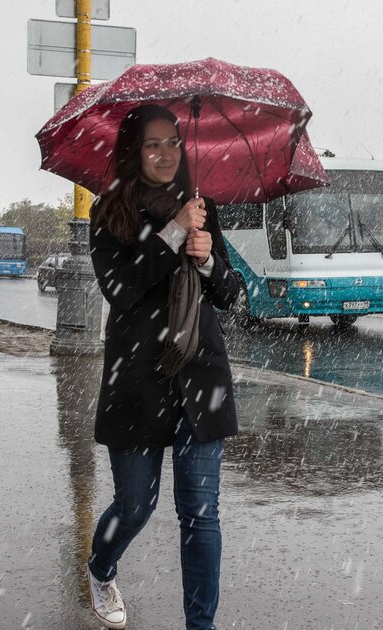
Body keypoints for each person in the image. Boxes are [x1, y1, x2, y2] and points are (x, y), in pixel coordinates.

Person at [85, 104, 241, 630]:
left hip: (200, 381)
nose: (166, 153)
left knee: (201, 513)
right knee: (135, 507)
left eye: (173, 142)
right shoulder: (110, 213)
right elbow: (123, 290)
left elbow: (230, 294)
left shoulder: (202, 209)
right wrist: (173, 233)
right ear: (134, 151)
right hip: (137, 381)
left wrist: (209, 259)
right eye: (153, 144)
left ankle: (202, 625)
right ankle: (101, 569)